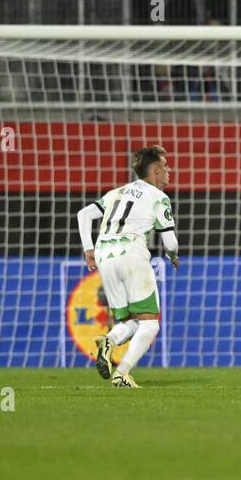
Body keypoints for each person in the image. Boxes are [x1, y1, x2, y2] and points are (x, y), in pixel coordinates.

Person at [78, 146, 178, 389]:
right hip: (131, 252)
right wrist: (172, 255)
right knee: (151, 323)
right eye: (165, 167)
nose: (169, 171)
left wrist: (89, 250)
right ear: (155, 171)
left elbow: (83, 215)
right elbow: (171, 242)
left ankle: (108, 341)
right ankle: (122, 373)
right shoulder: (158, 197)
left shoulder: (115, 193)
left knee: (132, 322)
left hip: (105, 255)